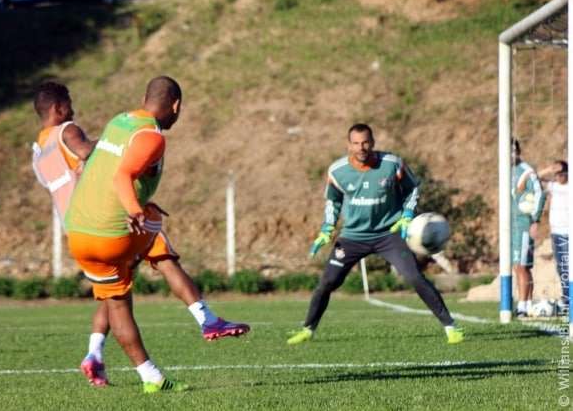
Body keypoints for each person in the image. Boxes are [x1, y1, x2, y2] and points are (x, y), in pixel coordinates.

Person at [37, 77, 247, 393]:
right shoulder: (151, 137)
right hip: (114, 231)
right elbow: (122, 175)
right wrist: (137, 209)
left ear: (143, 97)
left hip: (78, 233)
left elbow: (105, 166)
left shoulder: (118, 122)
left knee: (117, 302)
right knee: (156, 236)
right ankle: (207, 319)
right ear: (176, 106)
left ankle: (148, 376)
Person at [286, 123, 463, 345]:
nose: (361, 147)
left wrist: (408, 213)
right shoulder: (337, 171)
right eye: (356, 143)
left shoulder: (392, 164)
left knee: (414, 277)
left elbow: (413, 188)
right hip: (352, 237)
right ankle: (308, 329)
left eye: (366, 142)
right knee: (327, 282)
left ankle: (451, 327)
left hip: (389, 234)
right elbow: (333, 201)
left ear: (373, 142)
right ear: (348, 145)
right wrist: (327, 229)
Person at [511, 140, 546, 318]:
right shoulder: (506, 171)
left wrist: (535, 219)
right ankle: (525, 304)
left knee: (522, 265)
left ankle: (524, 306)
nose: (511, 155)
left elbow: (540, 193)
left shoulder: (526, 170)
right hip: (511, 225)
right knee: (517, 266)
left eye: (513, 151)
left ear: (518, 152)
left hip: (524, 223)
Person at [535, 160, 568, 313]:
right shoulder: (553, 186)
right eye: (557, 174)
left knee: (569, 266)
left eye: (562, 174)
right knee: (562, 267)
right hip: (557, 232)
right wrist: (549, 169)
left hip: (570, 231)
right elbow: (533, 178)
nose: (559, 177)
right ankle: (567, 298)